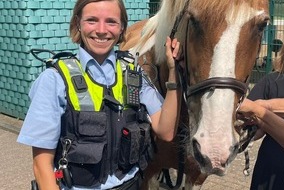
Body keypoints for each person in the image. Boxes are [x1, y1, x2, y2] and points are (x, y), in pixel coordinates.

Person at [17, 0, 182, 189]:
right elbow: (41, 166)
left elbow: (166, 131)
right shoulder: (54, 79)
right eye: (92, 20)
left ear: (122, 28)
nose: (102, 30)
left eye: (111, 21)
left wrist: (172, 71)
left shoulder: (133, 73)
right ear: (78, 24)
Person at [238, 30, 284, 190]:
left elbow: (254, 108)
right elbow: (250, 128)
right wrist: (247, 128)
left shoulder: (263, 104)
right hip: (271, 169)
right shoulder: (272, 81)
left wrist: (262, 108)